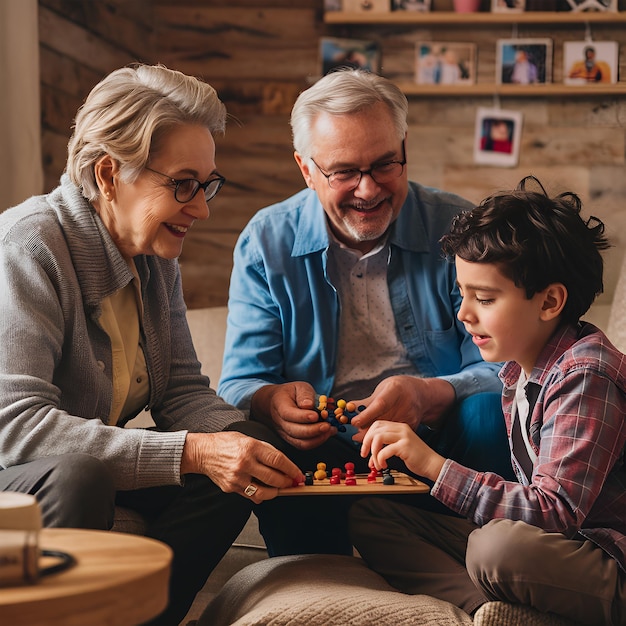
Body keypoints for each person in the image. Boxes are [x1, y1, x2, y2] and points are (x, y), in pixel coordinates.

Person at [0, 63, 302, 626]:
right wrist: (192, 451)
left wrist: (246, 441)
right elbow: (15, 429)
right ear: (109, 174)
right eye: (183, 184)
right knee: (78, 475)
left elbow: (184, 391)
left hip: (71, 470)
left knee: (239, 446)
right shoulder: (28, 248)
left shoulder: (153, 256)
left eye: (207, 185)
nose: (203, 208)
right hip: (18, 472)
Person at [219, 68, 514, 557]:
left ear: (404, 150)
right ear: (306, 169)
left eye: (384, 165)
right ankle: (314, 564)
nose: (368, 189)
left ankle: (482, 552)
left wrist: (429, 395)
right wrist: (272, 402)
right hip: (323, 449)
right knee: (256, 432)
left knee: (488, 413)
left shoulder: (459, 228)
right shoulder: (265, 241)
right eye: (343, 172)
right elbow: (240, 382)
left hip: (439, 442)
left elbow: (507, 368)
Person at [349, 176, 626, 625]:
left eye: (485, 298)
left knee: (493, 548)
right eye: (462, 293)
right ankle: (486, 609)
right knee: (373, 516)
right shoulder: (519, 371)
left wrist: (434, 466)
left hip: (605, 557)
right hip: (554, 547)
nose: (463, 312)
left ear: (550, 301)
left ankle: (501, 593)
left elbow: (553, 515)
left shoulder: (585, 375)